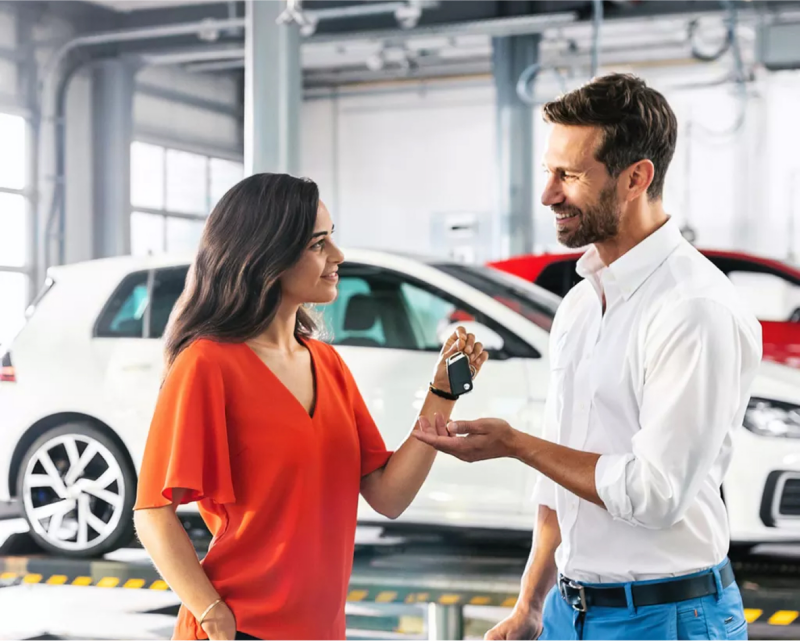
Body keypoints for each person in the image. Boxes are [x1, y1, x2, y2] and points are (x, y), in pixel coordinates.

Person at [415, 73, 762, 640]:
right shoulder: (581, 303)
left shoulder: (693, 308)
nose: (549, 193)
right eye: (549, 172)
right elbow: (562, 480)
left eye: (570, 175)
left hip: (665, 618)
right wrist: (530, 605)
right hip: (567, 610)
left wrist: (515, 445)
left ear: (635, 178)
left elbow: (655, 495)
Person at [132, 173, 489, 641]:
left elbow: (389, 496)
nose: (337, 257)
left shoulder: (327, 362)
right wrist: (212, 611)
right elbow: (152, 512)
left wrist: (441, 395)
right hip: (241, 628)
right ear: (266, 256)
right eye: (318, 244)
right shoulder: (207, 364)